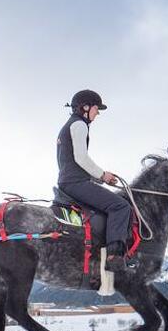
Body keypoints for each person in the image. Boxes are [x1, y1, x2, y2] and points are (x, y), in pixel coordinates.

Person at [56, 90, 132, 272]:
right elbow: (81, 158)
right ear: (86, 107)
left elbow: (72, 162)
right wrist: (102, 175)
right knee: (121, 206)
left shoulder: (69, 125)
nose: (97, 114)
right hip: (75, 183)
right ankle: (114, 257)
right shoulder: (80, 125)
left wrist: (99, 179)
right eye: (97, 109)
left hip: (69, 181)